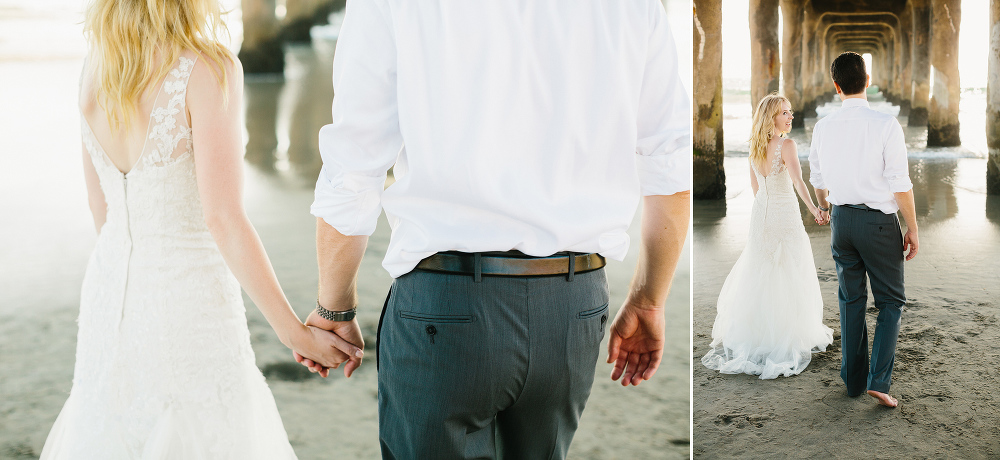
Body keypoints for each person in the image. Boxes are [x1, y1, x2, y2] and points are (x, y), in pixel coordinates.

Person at [293, 0, 690, 457]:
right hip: (572, 308)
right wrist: (648, 299)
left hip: (446, 310)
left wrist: (335, 306)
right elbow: (670, 166)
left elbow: (354, 165)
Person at [40, 1, 359, 457]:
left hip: (108, 298)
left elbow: (101, 209)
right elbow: (224, 219)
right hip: (188, 301)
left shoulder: (96, 70)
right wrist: (295, 333)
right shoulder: (209, 68)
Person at [809, 51, 918, 408]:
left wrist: (824, 208)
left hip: (841, 221)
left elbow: (819, 180)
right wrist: (912, 226)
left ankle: (853, 380)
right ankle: (879, 382)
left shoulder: (823, 127)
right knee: (890, 301)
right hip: (878, 223)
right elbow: (899, 183)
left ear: (836, 86)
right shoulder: (886, 124)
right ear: (867, 81)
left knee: (851, 300)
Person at [701, 93, 834, 380]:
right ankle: (786, 335)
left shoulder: (755, 147)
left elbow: (756, 190)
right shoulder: (787, 144)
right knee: (791, 269)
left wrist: (765, 214)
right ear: (772, 117)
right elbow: (798, 180)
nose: (790, 116)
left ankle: (758, 334)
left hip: (761, 215)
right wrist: (816, 208)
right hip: (784, 216)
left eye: (790, 112)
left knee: (761, 270)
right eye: (785, 112)